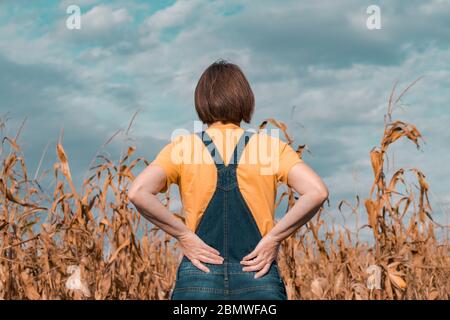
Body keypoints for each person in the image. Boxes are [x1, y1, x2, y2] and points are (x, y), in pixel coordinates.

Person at [128, 60, 329, 300]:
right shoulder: (269, 146)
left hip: (199, 276)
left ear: (201, 101)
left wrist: (184, 236)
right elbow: (317, 191)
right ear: (245, 98)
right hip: (257, 273)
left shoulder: (183, 147)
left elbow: (138, 192)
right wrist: (274, 238)